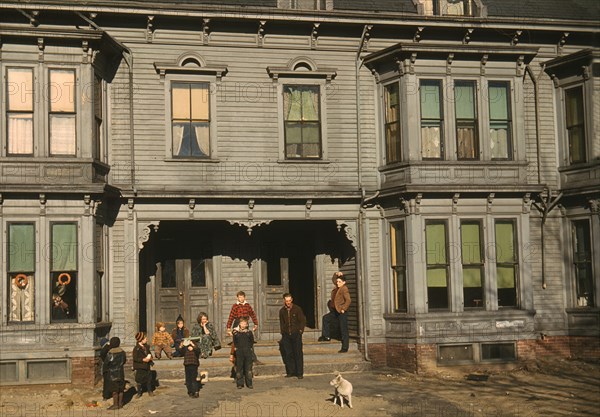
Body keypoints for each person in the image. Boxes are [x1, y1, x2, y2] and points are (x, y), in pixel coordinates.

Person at [226, 291, 262, 365]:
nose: (241, 298)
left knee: (248, 341)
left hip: (245, 323)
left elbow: (252, 314)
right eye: (239, 297)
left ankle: (253, 358)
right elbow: (231, 317)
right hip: (237, 323)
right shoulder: (235, 306)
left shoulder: (247, 305)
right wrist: (228, 327)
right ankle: (234, 357)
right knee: (236, 341)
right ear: (237, 298)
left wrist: (256, 323)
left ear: (244, 297)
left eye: (242, 297)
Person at [318, 272, 351, 353]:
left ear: (344, 282)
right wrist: (336, 274)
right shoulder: (337, 288)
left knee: (343, 329)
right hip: (334, 311)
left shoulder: (344, 289)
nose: (338, 283)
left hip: (341, 311)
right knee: (326, 318)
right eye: (337, 281)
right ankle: (326, 336)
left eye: (340, 282)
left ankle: (345, 347)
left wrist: (343, 308)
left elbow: (348, 300)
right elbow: (334, 280)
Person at [279, 293, 306, 379]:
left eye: (289, 301)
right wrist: (283, 332)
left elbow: (302, 320)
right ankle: (290, 372)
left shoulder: (297, 309)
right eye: (286, 301)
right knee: (288, 353)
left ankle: (299, 373)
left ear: (292, 300)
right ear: (284, 301)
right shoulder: (282, 311)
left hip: (296, 334)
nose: (288, 303)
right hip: (286, 334)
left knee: (298, 353)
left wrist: (300, 331)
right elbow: (282, 322)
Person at [232, 317, 255, 389]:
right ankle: (240, 383)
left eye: (245, 323)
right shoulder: (236, 333)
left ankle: (249, 383)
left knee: (248, 368)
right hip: (239, 352)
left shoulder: (249, 333)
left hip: (247, 351)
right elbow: (235, 341)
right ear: (239, 324)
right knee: (239, 368)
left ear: (247, 325)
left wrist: (250, 348)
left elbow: (251, 341)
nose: (243, 325)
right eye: (242, 323)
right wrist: (236, 348)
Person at [105, 337, 126, 410]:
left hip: (112, 374)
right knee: (121, 389)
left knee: (114, 390)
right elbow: (124, 361)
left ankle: (115, 404)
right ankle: (120, 404)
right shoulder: (122, 352)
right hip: (120, 372)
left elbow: (106, 363)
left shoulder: (110, 353)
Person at [132, 332, 155, 398]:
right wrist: (143, 359)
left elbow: (149, 354)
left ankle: (150, 391)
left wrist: (150, 357)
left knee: (149, 379)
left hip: (147, 366)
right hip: (140, 366)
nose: (146, 339)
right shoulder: (136, 349)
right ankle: (139, 392)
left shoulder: (146, 347)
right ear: (141, 339)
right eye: (145, 338)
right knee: (139, 380)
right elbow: (135, 358)